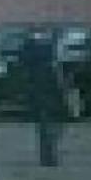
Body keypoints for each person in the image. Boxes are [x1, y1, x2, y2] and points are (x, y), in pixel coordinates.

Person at [18, 27, 68, 167]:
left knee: (46, 125)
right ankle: (49, 156)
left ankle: (47, 155)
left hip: (41, 92)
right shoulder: (48, 55)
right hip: (48, 92)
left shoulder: (31, 53)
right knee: (50, 125)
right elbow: (59, 76)